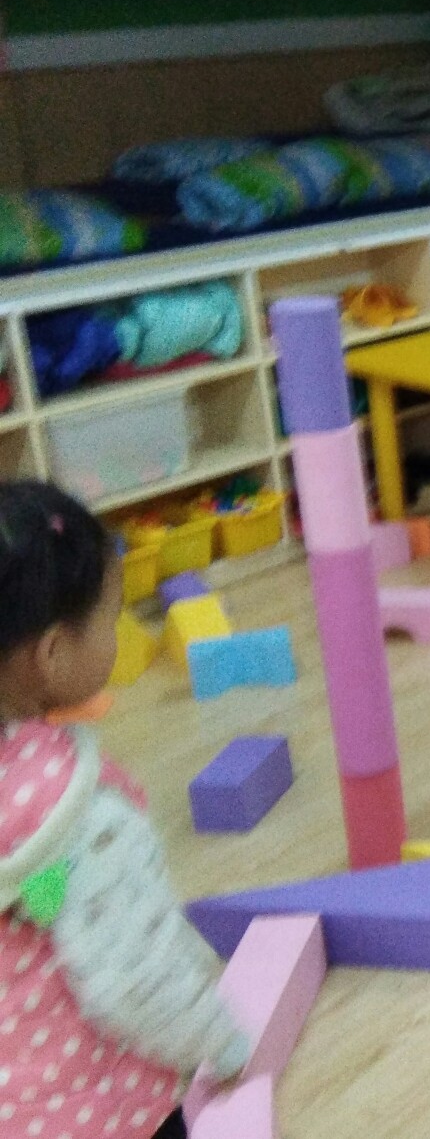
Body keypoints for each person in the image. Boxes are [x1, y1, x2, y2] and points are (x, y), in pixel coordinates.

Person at [0, 481, 252, 1139]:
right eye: (111, 620)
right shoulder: (72, 806)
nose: (119, 634)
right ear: (52, 653)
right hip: (102, 1112)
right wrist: (218, 1041)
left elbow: (38, 905)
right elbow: (134, 972)